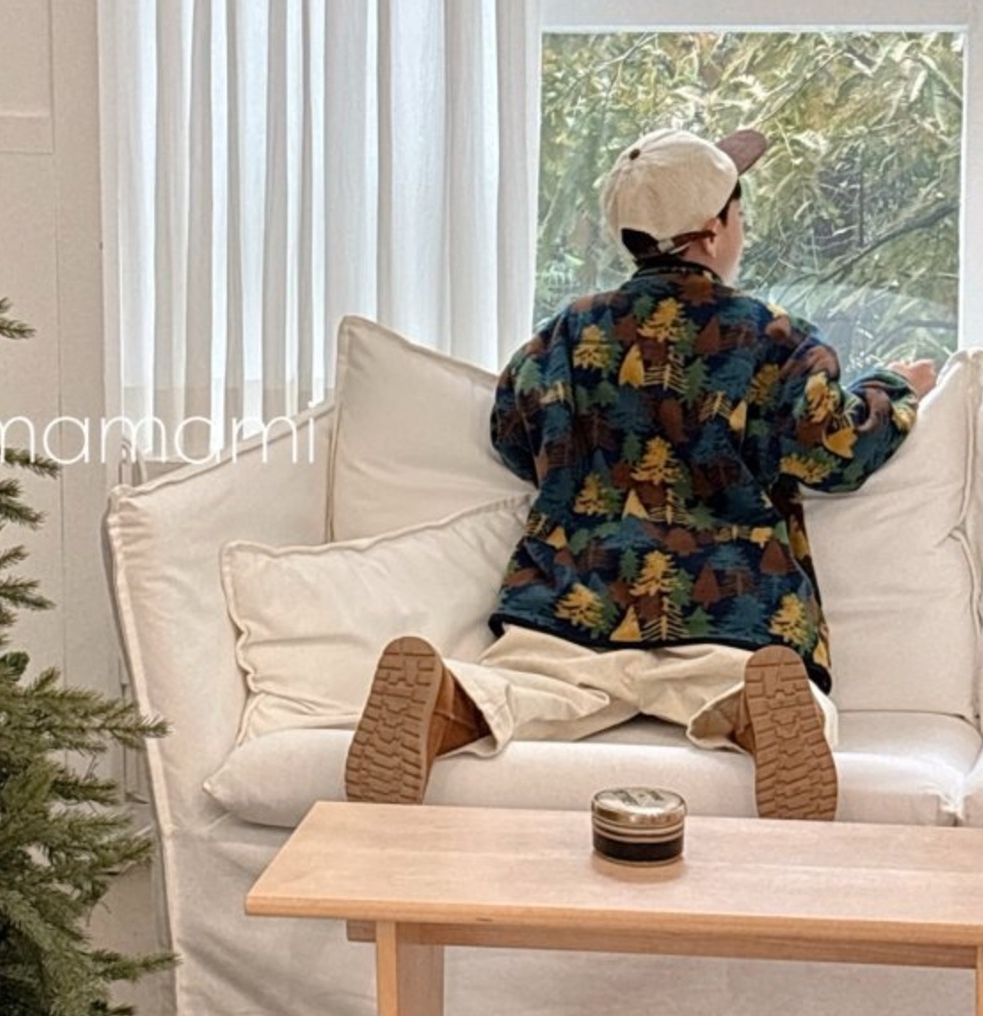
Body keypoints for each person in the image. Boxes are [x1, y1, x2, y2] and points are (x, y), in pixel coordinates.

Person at [344, 127, 937, 819]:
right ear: (715, 230)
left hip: (569, 608)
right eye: (738, 211)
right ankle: (753, 710)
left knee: (522, 689)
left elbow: (512, 433)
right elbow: (837, 451)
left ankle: (453, 700)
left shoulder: (567, 333)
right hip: (732, 615)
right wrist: (893, 386)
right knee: (782, 699)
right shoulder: (772, 337)